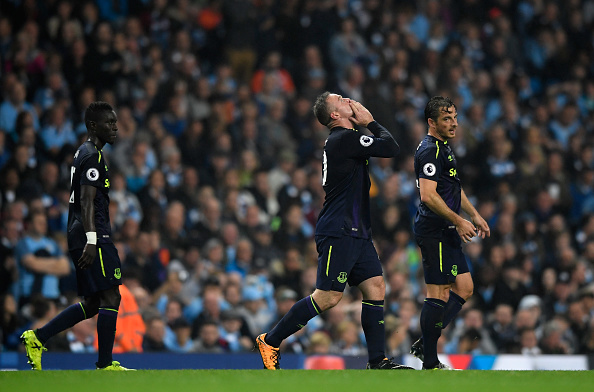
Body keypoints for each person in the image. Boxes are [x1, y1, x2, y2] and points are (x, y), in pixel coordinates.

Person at [256, 91, 412, 370]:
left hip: (358, 230)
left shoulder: (346, 141)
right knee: (328, 297)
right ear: (334, 116)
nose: (348, 100)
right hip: (339, 229)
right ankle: (270, 340)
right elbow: (391, 148)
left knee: (375, 287)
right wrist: (372, 122)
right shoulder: (344, 139)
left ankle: (377, 360)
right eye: (341, 100)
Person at [20, 102, 133, 371]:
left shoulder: (81, 152)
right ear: (93, 126)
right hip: (92, 234)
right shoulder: (92, 155)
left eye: (116, 123)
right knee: (111, 298)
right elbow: (87, 199)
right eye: (109, 123)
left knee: (93, 303)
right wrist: (93, 240)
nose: (115, 128)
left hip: (79, 233)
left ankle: (38, 337)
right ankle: (105, 364)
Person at [411, 96, 490, 370]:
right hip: (434, 230)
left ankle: (425, 342)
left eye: (455, 117)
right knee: (438, 293)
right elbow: (428, 196)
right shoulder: (429, 151)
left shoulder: (444, 147)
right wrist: (459, 220)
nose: (454, 123)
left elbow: (453, 188)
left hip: (447, 230)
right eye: (447, 119)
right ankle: (430, 361)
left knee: (464, 287)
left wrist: (474, 214)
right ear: (432, 123)